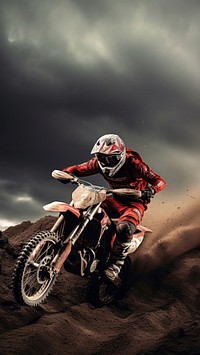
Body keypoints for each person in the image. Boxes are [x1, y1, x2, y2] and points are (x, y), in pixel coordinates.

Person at [62, 134, 166, 282]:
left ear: (121, 155)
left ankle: (115, 265)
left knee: (125, 227)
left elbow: (160, 181)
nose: (106, 162)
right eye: (102, 157)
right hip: (113, 199)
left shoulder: (134, 164)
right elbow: (78, 169)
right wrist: (67, 173)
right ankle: (82, 243)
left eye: (111, 159)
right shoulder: (98, 163)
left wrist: (150, 190)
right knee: (85, 206)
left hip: (134, 203)